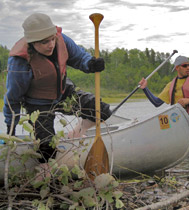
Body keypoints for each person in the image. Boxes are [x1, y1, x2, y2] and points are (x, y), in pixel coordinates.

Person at [4, 13, 112, 165]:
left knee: (102, 110)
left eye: (52, 39)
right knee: (46, 149)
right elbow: (12, 99)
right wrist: (11, 129)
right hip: (38, 105)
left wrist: (91, 64)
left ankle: (77, 132)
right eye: (44, 42)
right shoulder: (19, 62)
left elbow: (80, 58)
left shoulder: (61, 40)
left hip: (64, 93)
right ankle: (45, 171)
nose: (51, 45)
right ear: (32, 43)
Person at [139, 55, 189, 125]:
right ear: (177, 68)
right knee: (161, 122)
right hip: (177, 121)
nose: (188, 68)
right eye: (184, 66)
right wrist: (145, 88)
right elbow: (157, 103)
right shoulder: (170, 85)